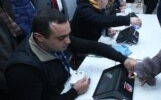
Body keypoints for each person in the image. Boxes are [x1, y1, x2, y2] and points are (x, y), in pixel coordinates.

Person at [5, 7, 137, 100]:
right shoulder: (22, 70)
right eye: (62, 38)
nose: (68, 41)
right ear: (40, 37)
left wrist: (124, 59)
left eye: (68, 34)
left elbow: (92, 46)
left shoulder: (56, 37)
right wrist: (74, 92)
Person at [70, 0, 142, 41]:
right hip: (83, 45)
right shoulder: (84, 10)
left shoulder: (94, 3)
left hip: (93, 39)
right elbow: (101, 19)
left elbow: (95, 24)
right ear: (102, 0)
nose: (108, 2)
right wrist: (129, 20)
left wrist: (107, 31)